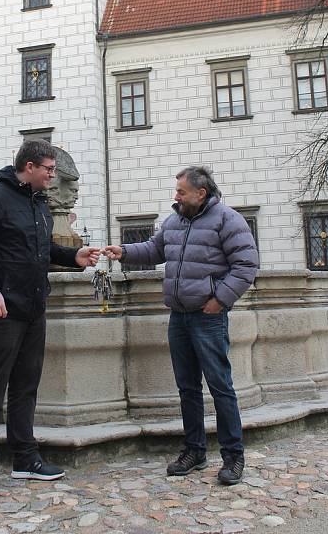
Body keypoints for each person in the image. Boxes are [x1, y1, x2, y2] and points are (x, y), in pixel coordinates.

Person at [0, 140, 100, 495]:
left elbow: (43, 248)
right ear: (30, 166)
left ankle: (25, 459)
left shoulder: (38, 202)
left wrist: (74, 256)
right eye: (49, 169)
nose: (53, 176)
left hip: (34, 309)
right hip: (2, 310)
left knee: (26, 388)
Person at [103, 166, 258, 486]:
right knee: (187, 388)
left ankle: (233, 456)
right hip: (179, 317)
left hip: (208, 316)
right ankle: (195, 450)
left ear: (201, 194)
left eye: (181, 191)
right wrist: (124, 252)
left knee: (221, 387)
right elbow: (156, 249)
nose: (176, 196)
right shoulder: (174, 221)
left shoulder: (228, 220)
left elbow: (247, 264)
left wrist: (221, 300)